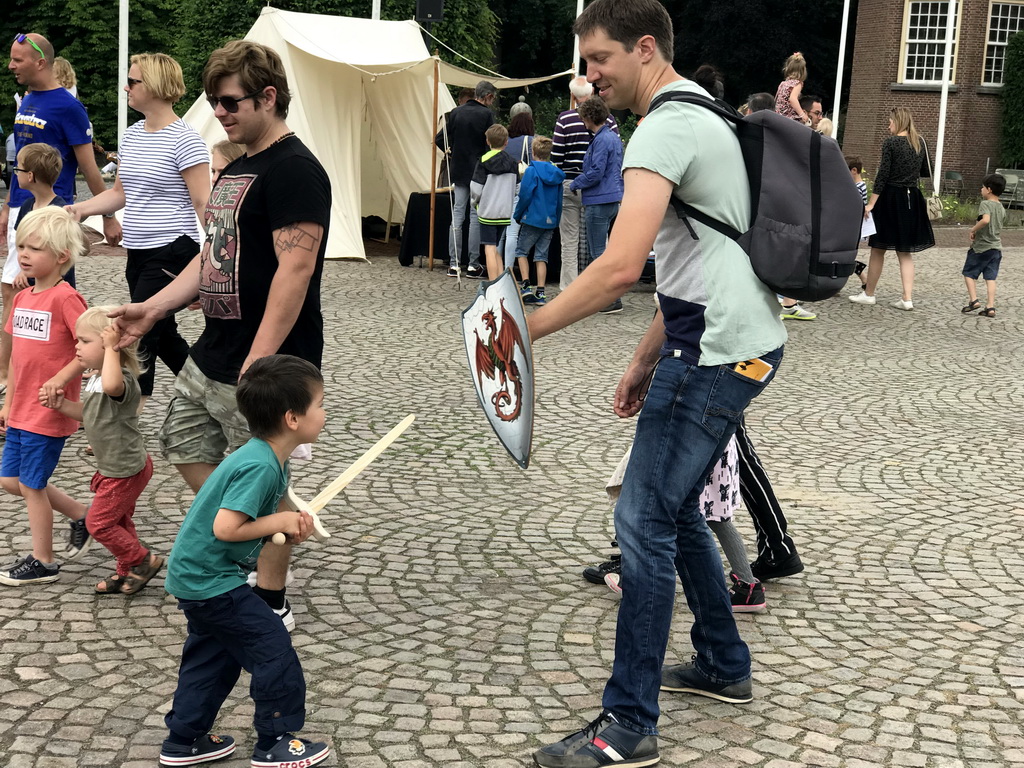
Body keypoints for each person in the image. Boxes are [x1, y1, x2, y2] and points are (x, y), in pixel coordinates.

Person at [528, 1, 787, 765]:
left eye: (600, 58)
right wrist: (645, 358)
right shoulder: (702, 112)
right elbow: (695, 257)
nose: (590, 75)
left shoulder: (667, 126)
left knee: (640, 521)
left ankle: (629, 725)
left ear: (646, 48)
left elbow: (616, 265)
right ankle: (721, 665)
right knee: (672, 513)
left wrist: (523, 331)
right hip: (729, 342)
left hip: (712, 354)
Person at [111, 39, 331, 631]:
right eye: (213, 102)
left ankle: (270, 596)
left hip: (269, 363)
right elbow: (212, 256)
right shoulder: (235, 166)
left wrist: (260, 362)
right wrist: (152, 309)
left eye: (230, 102)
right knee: (183, 442)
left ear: (269, 96)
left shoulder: (297, 170)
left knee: (265, 479)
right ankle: (252, 528)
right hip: (214, 350)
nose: (222, 113)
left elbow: (297, 269)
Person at [159, 355, 329, 768]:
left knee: (213, 659)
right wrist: (279, 520)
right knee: (272, 648)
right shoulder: (258, 465)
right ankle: (275, 740)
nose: (325, 414)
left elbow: (271, 514)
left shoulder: (268, 455)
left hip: (198, 576)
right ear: (292, 418)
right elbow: (227, 527)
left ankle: (183, 740)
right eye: (320, 405)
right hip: (212, 580)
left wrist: (292, 525)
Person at [67, 53, 210, 412]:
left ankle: (125, 416)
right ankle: (213, 395)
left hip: (174, 248)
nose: (126, 87)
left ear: (158, 87)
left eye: (133, 81)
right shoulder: (131, 135)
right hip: (140, 250)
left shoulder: (187, 140)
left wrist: (218, 258)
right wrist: (80, 209)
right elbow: (120, 193)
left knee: (139, 334)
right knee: (166, 337)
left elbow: (202, 203)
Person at [2, 33, 122, 392]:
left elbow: (89, 166)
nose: (10, 66)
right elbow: (21, 163)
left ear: (41, 63)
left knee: (48, 294)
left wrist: (107, 216)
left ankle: (79, 364)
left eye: (17, 60)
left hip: (57, 214)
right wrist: (10, 207)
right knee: (26, 293)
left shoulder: (69, 107)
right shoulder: (28, 100)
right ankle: (28, 371)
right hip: (26, 209)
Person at [40, 306, 163, 594]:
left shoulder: (120, 378)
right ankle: (127, 571)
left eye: (84, 341)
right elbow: (92, 414)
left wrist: (110, 349)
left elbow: (111, 385)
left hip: (126, 469)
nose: (77, 346)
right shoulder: (97, 378)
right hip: (114, 467)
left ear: (112, 344)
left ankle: (143, 561)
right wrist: (62, 407)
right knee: (118, 521)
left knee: (98, 524)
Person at [0, 207, 90, 586]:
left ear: (61, 257)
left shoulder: (66, 299)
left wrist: (62, 378)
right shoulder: (21, 299)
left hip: (49, 410)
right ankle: (83, 516)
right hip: (20, 406)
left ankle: (44, 561)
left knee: (32, 485)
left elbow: (90, 347)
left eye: (34, 248)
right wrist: (6, 402)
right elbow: (19, 357)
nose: (23, 254)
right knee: (10, 480)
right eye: (20, 246)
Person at [602, 431, 766, 612]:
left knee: (669, 511)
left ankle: (640, 580)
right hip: (712, 441)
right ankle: (748, 586)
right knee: (710, 516)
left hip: (696, 442)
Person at [850, 106, 934, 310]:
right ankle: (907, 298)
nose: (888, 124)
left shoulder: (891, 143)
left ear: (898, 122)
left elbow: (883, 175)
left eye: (890, 121)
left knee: (878, 249)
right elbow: (924, 171)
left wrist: (871, 203)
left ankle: (869, 293)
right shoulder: (920, 142)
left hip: (890, 197)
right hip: (911, 198)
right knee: (905, 252)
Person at [744, 93, 816, 320]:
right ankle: (786, 301)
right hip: (774, 202)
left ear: (749, 111)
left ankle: (781, 301)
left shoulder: (741, 134)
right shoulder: (782, 137)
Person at [552, 76, 619, 291]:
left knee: (569, 241)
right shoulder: (610, 122)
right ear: (591, 93)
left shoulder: (564, 119)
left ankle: (569, 288)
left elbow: (556, 158)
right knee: (601, 240)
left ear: (572, 96)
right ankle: (600, 285)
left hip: (572, 181)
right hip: (603, 188)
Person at [435, 80, 496, 278]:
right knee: (474, 217)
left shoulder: (456, 112)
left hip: (459, 169)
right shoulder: (486, 115)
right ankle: (472, 264)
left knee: (457, 215)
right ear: (487, 96)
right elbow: (491, 143)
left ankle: (453, 264)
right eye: (492, 98)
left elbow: (439, 138)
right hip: (478, 170)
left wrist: (451, 151)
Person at [570, 96, 624, 313]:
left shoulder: (600, 140)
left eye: (583, 116)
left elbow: (595, 172)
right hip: (612, 198)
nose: (582, 120)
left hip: (598, 199)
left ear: (589, 117)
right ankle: (608, 297)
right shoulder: (612, 137)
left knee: (598, 252)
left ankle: (607, 299)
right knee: (606, 251)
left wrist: (576, 182)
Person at [514, 135, 565, 305]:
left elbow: (525, 195)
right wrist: (555, 219)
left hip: (532, 218)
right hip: (549, 220)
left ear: (533, 152)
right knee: (541, 256)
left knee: (522, 251)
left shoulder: (531, 171)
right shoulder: (556, 173)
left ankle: (526, 286)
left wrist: (518, 214)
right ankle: (541, 292)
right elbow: (559, 200)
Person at [470, 124, 519, 280]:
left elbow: (475, 188)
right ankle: (500, 281)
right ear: (506, 142)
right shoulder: (512, 162)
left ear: (488, 141)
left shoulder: (483, 160)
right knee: (496, 248)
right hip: (505, 212)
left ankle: (493, 285)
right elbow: (517, 188)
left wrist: (475, 203)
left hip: (488, 211)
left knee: (489, 249)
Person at [961, 173, 1006, 318]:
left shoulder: (985, 204)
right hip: (996, 248)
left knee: (968, 273)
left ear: (989, 189)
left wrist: (973, 229)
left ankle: (973, 300)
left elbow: (985, 220)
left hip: (981, 247)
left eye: (982, 187)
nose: (981, 190)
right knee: (990, 278)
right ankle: (990, 306)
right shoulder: (1002, 207)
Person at [500, 111, 535, 277]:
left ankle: (497, 266)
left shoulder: (506, 142)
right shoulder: (529, 141)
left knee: (500, 233)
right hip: (519, 185)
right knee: (512, 232)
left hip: (502, 186)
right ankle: (508, 270)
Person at [847, 156, 869, 289]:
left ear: (854, 170)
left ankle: (865, 279)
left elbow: (855, 207)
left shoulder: (857, 187)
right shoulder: (859, 186)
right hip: (852, 227)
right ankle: (864, 279)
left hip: (851, 227)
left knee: (845, 256)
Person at [775, 53, 809, 122]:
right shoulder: (797, 84)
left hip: (778, 116)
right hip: (789, 118)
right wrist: (802, 114)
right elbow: (793, 99)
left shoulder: (783, 83)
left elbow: (776, 99)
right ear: (803, 70)